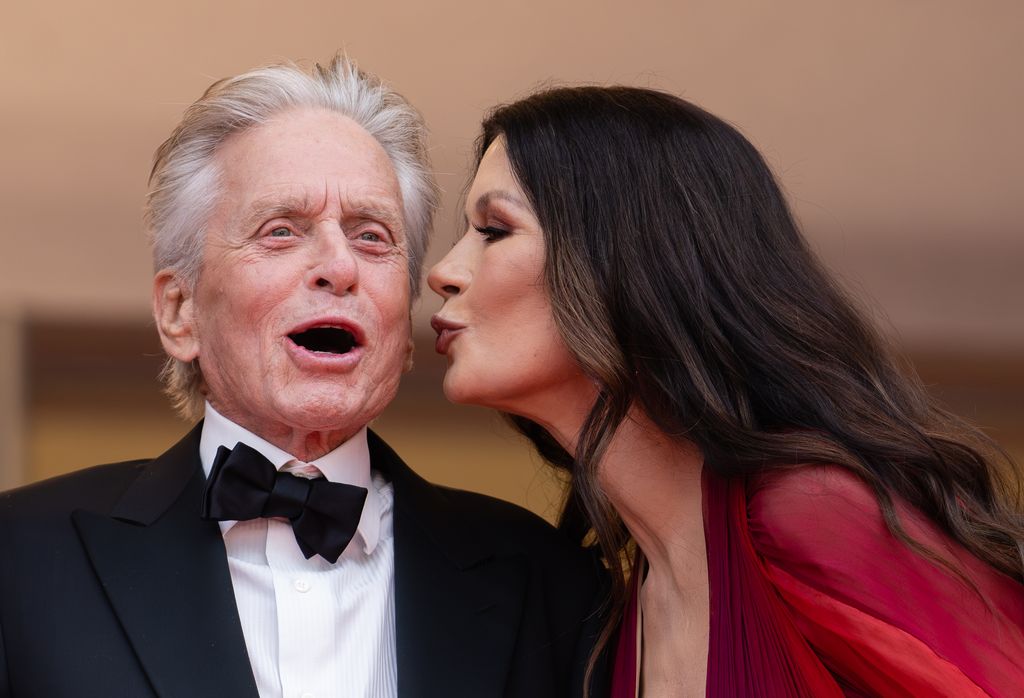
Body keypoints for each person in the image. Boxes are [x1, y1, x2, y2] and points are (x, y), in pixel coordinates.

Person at [0, 57, 603, 698]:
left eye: (372, 237)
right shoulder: (19, 559)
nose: (339, 266)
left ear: (403, 326)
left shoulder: (551, 584)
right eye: (281, 231)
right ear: (180, 313)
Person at [427, 86, 1024, 697]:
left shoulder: (812, 512)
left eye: (494, 230)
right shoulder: (620, 608)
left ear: (627, 258)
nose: (443, 271)